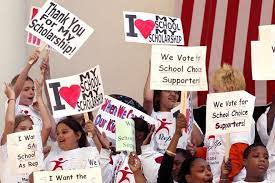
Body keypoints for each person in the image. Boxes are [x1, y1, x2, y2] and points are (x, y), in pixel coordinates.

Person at [193, 64, 255, 182]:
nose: (211, 95)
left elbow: (239, 152)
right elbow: (211, 150)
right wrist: (195, 152)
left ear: (229, 89)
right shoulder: (216, 117)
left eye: (215, 91)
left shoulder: (241, 116)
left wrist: (224, 178)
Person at [143, 62, 203, 153]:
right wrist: (154, 66)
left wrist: (181, 110)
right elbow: (148, 98)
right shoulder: (153, 114)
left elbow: (198, 140)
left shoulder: (183, 114)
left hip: (177, 164)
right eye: (168, 91)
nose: (173, 94)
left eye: (176, 92)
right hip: (156, 164)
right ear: (158, 96)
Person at [0, 81, 52, 183]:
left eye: (30, 129)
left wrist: (40, 97)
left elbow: (48, 126)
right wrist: (12, 98)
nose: (28, 132)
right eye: (22, 128)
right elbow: (10, 122)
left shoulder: (35, 145)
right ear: (13, 131)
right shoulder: (6, 146)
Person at [100, 117, 163, 183]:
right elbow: (104, 180)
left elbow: (155, 180)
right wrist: (105, 150)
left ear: (140, 135)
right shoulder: (119, 158)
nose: (122, 135)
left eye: (126, 131)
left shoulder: (156, 159)